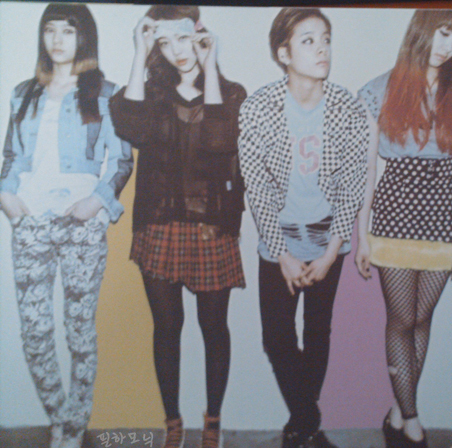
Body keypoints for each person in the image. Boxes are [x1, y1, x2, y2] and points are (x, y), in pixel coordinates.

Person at [109, 5, 246, 448]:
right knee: (167, 330)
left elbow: (220, 141)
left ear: (200, 33)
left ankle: (212, 420)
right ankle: (172, 422)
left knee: (214, 330)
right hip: (160, 224)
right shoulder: (151, 92)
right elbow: (130, 127)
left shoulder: (231, 92)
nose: (176, 51)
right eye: (164, 43)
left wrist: (210, 67)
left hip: (212, 228)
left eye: (182, 38)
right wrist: (139, 51)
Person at [0, 4, 133, 448]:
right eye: (50, 30)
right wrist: (8, 200)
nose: (57, 40)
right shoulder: (23, 93)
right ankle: (61, 417)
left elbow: (121, 161)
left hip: (82, 224)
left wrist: (96, 202)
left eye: (68, 31)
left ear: (84, 38)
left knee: (79, 331)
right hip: (31, 222)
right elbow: (11, 156)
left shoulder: (106, 94)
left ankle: (74, 428)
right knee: (35, 333)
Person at [238, 8, 368, 448]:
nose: (322, 49)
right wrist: (283, 254)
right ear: (284, 53)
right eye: (308, 40)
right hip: (281, 237)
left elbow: (352, 185)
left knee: (317, 331)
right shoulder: (259, 107)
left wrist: (331, 253)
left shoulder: (347, 107)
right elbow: (256, 188)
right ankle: (308, 420)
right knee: (276, 337)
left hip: (329, 236)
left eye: (326, 39)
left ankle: (301, 426)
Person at [355, 10, 452, 448]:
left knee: (422, 318)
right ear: (422, 30)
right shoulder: (379, 89)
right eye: (444, 33)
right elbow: (366, 170)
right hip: (394, 212)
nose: (449, 46)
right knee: (402, 319)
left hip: (444, 215)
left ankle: (397, 410)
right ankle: (411, 418)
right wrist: (362, 235)